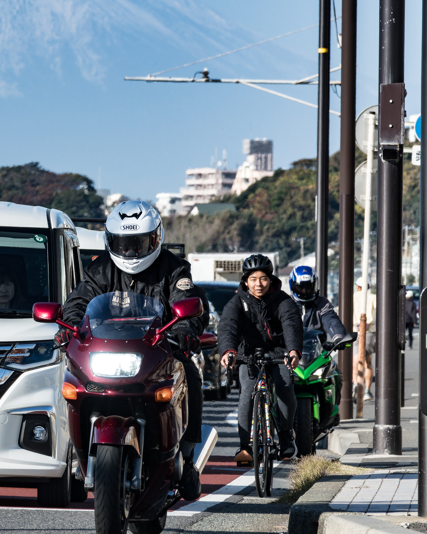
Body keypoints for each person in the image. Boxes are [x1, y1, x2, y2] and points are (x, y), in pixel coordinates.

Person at [61, 200, 205, 501]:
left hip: (157, 352)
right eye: (123, 244)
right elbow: (77, 302)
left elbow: (190, 304)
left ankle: (188, 457)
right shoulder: (99, 269)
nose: (131, 251)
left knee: (190, 373)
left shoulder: (174, 268)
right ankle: (73, 456)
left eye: (139, 243)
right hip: (106, 349)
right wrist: (69, 327)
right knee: (69, 380)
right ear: (111, 241)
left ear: (155, 238)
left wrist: (185, 333)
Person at [219, 254, 303, 463]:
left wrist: (293, 351)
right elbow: (228, 326)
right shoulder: (237, 301)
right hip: (248, 355)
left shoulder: (283, 300)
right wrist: (228, 351)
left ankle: (285, 436)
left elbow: (291, 325)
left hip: (278, 353)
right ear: (246, 281)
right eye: (254, 279)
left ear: (271, 279)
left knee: (284, 387)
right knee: (247, 391)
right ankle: (245, 447)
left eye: (263, 278)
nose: (259, 284)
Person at [289, 264, 347, 405]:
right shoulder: (286, 303)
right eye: (301, 287)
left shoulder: (322, 303)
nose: (305, 291)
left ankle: (332, 409)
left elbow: (331, 320)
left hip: (317, 353)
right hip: (289, 354)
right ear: (293, 286)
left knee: (336, 375)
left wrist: (338, 337)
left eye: (309, 287)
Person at [353, 278, 376, 401]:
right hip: (369, 331)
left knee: (355, 360)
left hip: (354, 330)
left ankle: (355, 384)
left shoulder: (352, 297)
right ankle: (367, 390)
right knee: (367, 362)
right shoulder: (373, 297)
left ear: (358, 287)